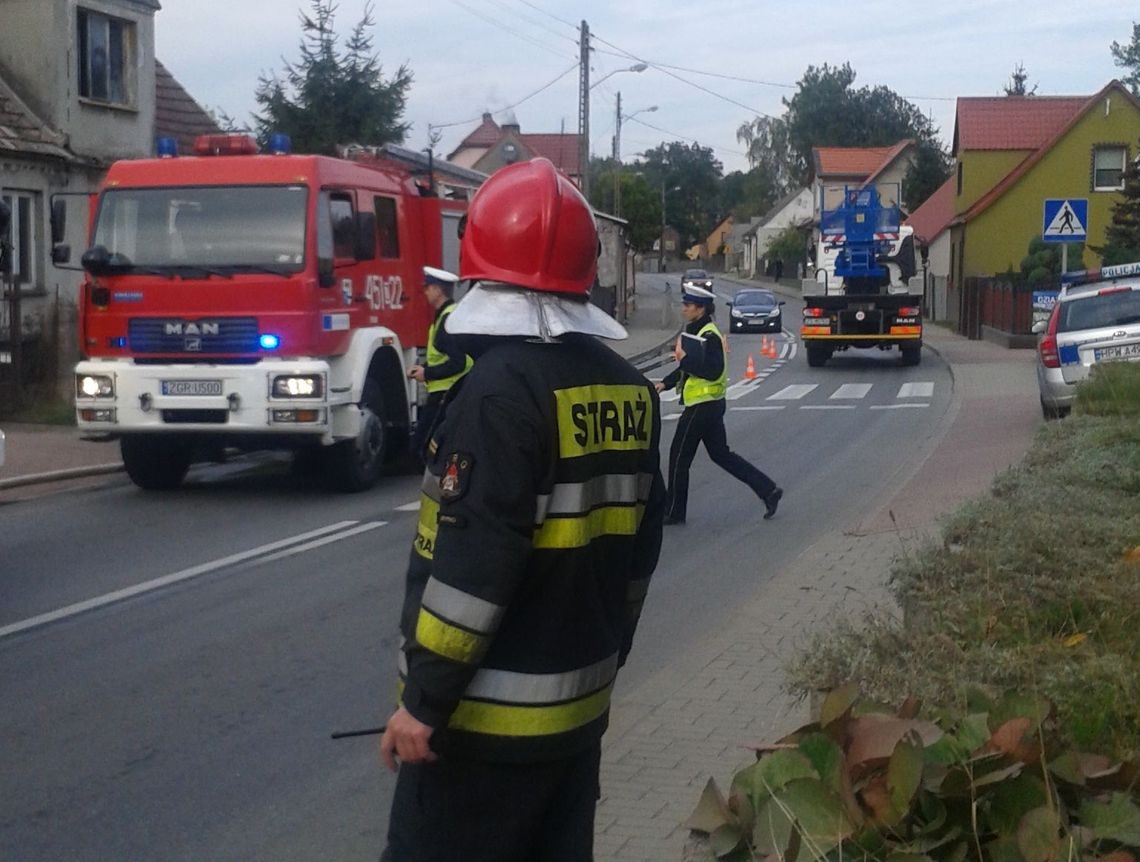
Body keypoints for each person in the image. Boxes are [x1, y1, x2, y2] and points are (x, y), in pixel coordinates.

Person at [379, 157, 666, 862]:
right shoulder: (632, 393)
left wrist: (424, 702)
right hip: (577, 720)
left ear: (480, 270)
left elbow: (471, 573)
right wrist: (606, 656)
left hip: (480, 736)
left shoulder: (500, 398)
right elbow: (639, 555)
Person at [655, 284, 782, 525]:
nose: (684, 309)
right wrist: (666, 383)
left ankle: (673, 512)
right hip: (710, 405)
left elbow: (712, 372)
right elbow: (689, 368)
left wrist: (685, 359)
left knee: (679, 457)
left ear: (700, 309)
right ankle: (768, 490)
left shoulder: (709, 336)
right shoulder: (699, 331)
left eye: (688, 306)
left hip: (702, 406)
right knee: (721, 455)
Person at [406, 266, 473, 465]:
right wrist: (424, 368)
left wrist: (427, 373)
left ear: (438, 290)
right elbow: (443, 356)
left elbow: (458, 362)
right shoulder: (447, 316)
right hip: (448, 391)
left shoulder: (447, 320)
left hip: (446, 392)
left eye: (428, 287)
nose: (425, 291)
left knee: (424, 446)